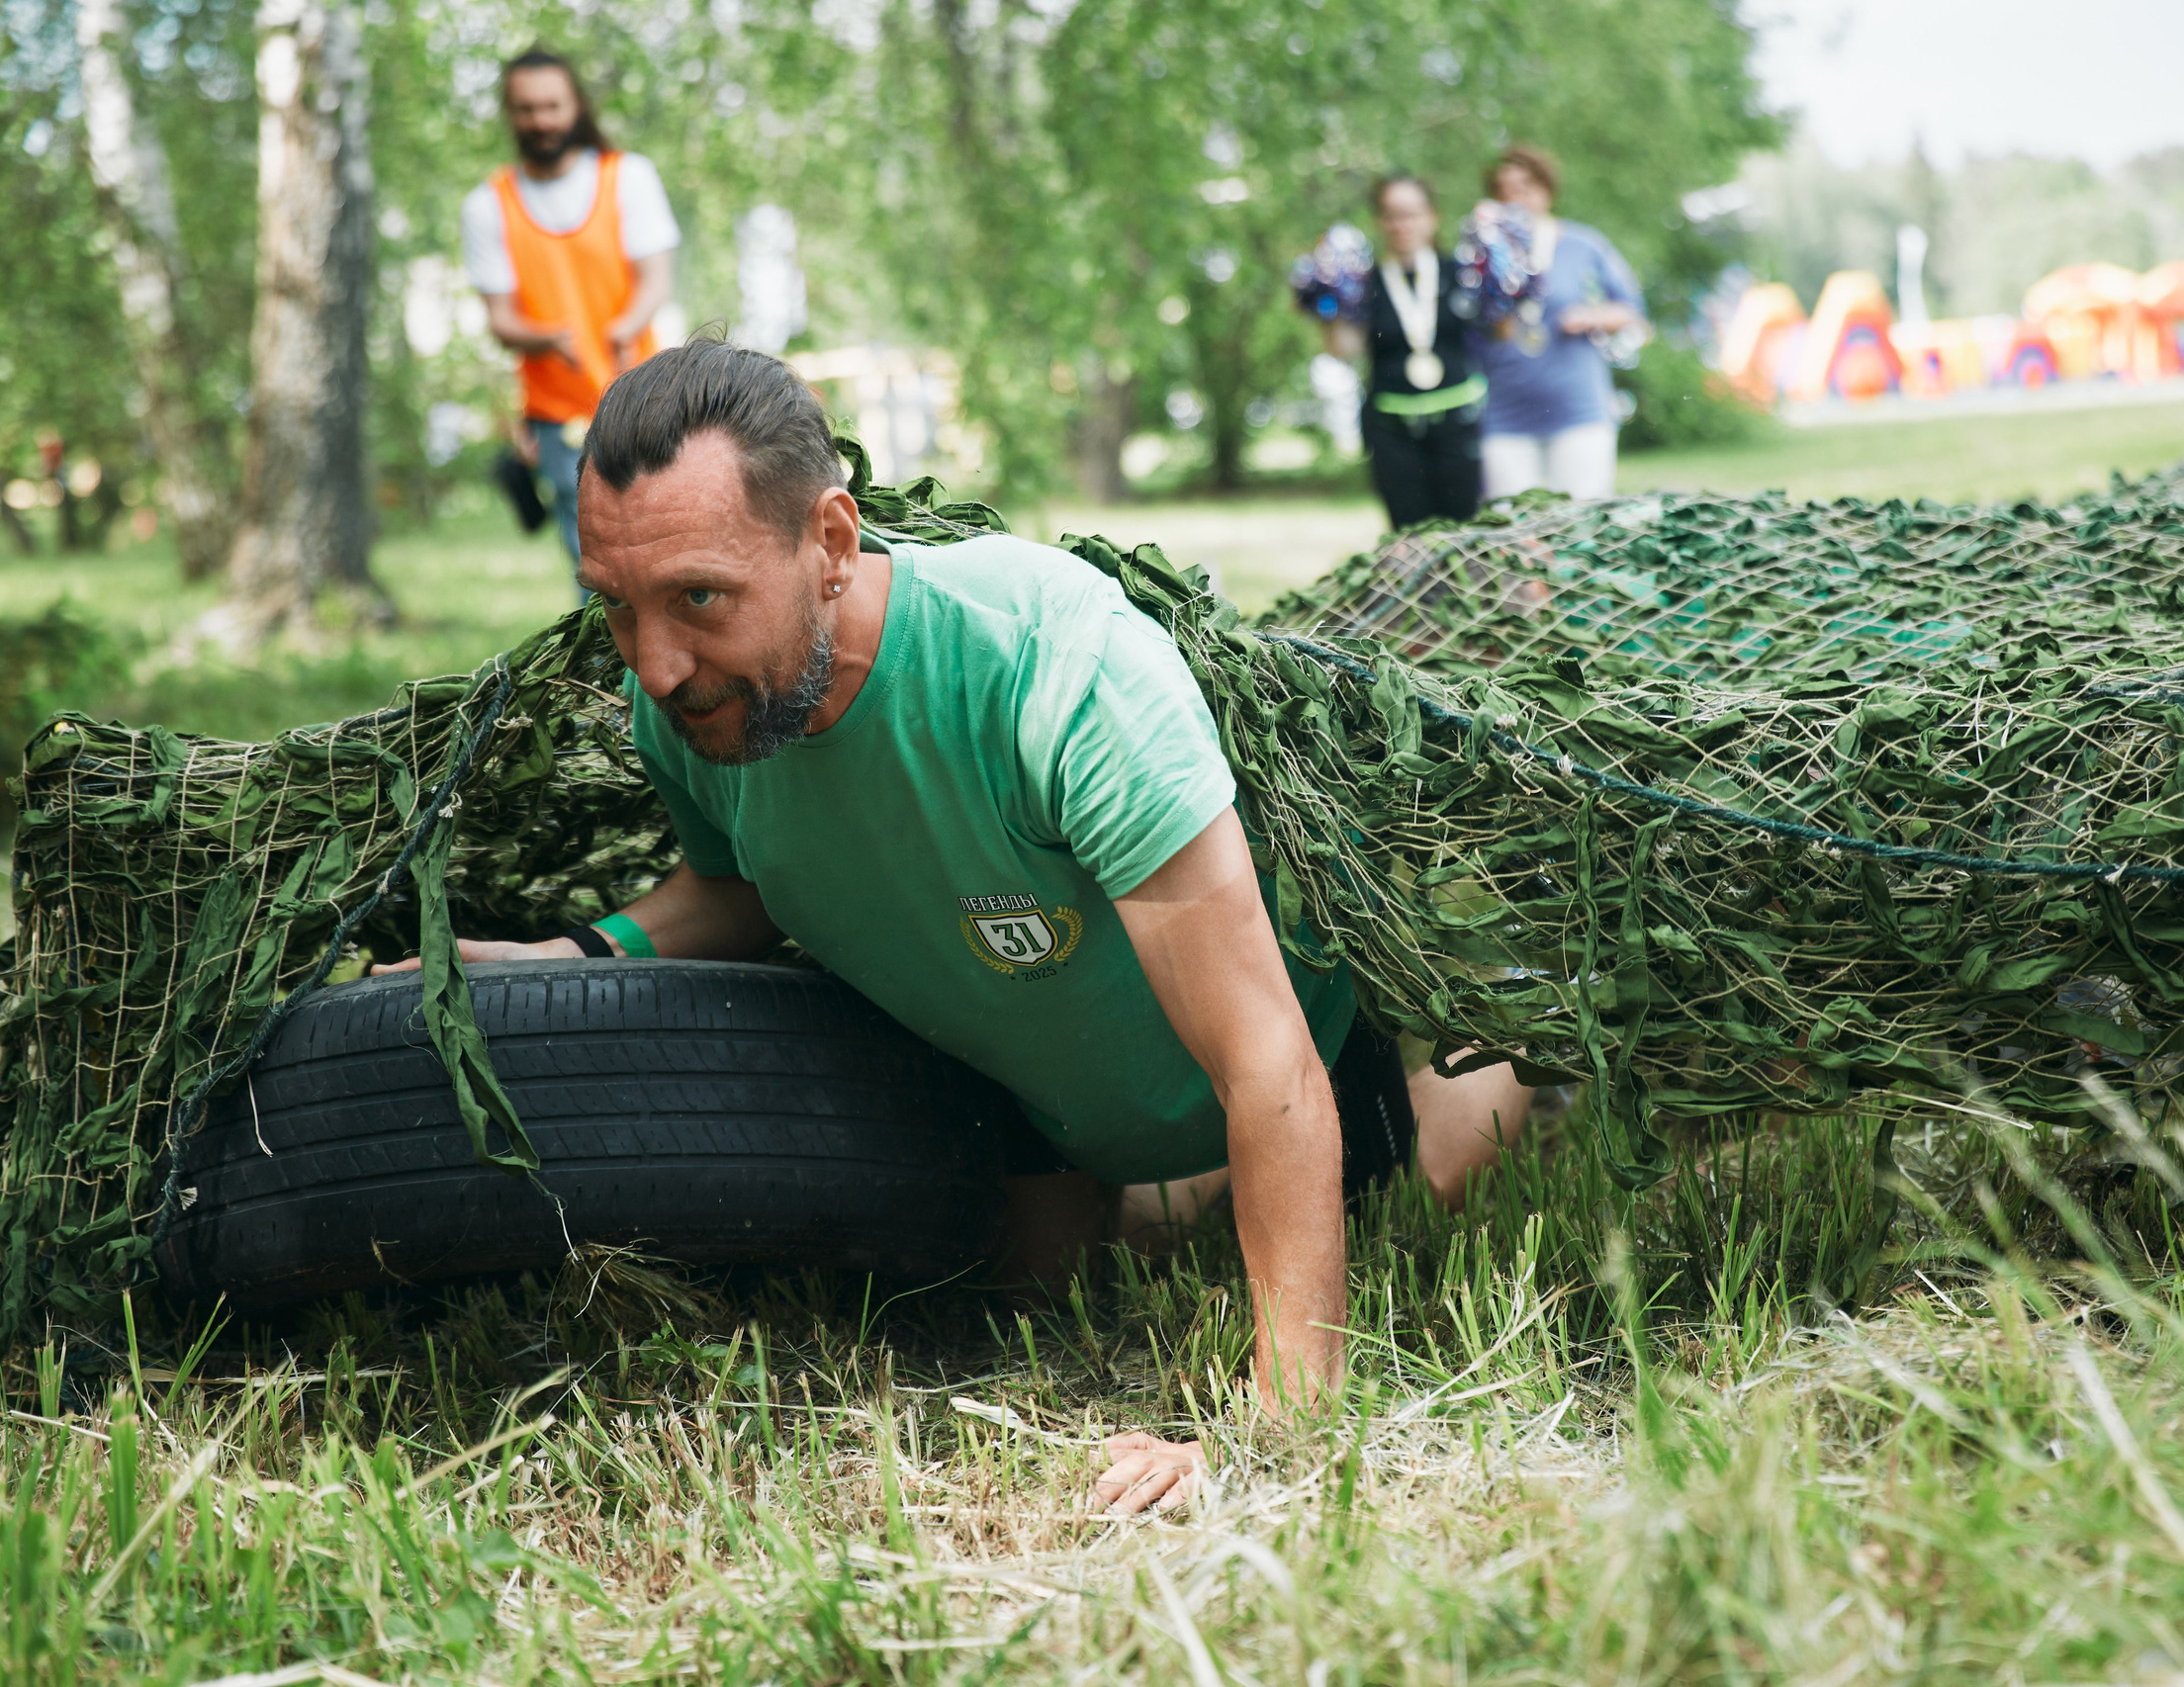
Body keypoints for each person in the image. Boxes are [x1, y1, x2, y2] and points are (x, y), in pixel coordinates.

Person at [375, 340, 1536, 1514]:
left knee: (1436, 1176)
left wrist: (1280, 1427)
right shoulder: (689, 699)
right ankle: (1139, 1191)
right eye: (616, 606)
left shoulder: (1053, 670)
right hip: (1042, 1114)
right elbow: (742, 882)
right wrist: (566, 959)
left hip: (1334, 1060)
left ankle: (1505, 1059)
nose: (657, 662)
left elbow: (1264, 1055)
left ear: (829, 544)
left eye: (699, 599)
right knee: (1040, 1295)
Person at [460, 46, 679, 582]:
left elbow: (655, 278)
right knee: (593, 561)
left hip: (643, 399)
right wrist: (548, 337)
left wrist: (626, 325)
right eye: (527, 108)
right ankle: (603, 666)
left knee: (664, 538)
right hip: (558, 416)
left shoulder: (627, 177)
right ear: (511, 114)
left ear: (575, 106)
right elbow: (501, 320)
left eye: (552, 105)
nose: (541, 120)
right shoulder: (488, 205)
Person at [1473, 144, 1646, 502]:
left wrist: (1591, 315)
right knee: (1510, 530)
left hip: (1579, 411)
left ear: (1547, 190)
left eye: (1525, 187)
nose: (1515, 198)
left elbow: (1632, 311)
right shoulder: (1482, 254)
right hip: (1507, 414)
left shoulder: (1584, 245)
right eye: (1504, 190)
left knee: (1581, 527)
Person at [1320, 175, 1483, 530]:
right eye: (1391, 215)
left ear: (1432, 217)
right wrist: (1324, 303)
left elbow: (1504, 334)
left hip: (1458, 428)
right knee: (1409, 541)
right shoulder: (1363, 284)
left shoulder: (1462, 274)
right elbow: (1342, 350)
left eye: (1410, 213)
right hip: (1393, 432)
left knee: (1466, 537)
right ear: (1379, 221)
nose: (1401, 224)